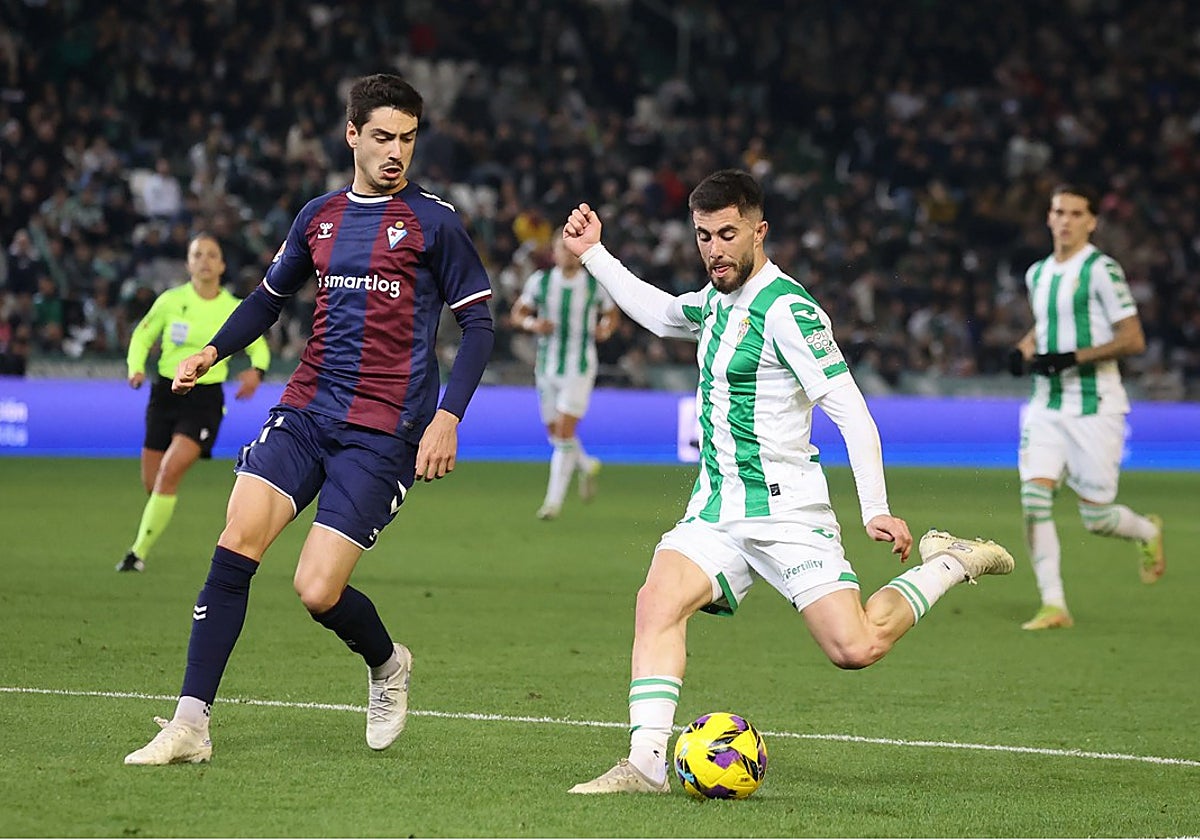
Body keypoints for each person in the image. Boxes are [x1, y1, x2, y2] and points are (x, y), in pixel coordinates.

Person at [561, 169, 1014, 795]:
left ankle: (950, 562)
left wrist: (875, 508)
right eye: (703, 236)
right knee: (656, 602)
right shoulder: (715, 302)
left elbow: (852, 412)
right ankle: (644, 765)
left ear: (759, 231)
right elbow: (661, 315)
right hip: (717, 507)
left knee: (855, 648)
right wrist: (593, 254)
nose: (714, 250)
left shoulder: (789, 311)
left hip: (786, 511)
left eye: (727, 234)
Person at [124, 73, 494, 765]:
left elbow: (479, 326)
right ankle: (190, 725)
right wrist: (212, 350)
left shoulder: (435, 222)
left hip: (385, 429)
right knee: (236, 540)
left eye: (408, 139)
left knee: (317, 590)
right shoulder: (318, 217)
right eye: (382, 137)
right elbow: (268, 299)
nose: (395, 152)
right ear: (351, 135)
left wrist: (448, 417)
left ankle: (387, 663)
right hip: (306, 408)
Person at [1007, 183, 1164, 631]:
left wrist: (1072, 358)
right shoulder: (1037, 273)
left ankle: (1148, 531)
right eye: (1059, 212)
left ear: (1092, 222)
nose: (1066, 221)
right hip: (1045, 406)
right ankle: (1053, 603)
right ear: (1048, 217)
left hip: (1095, 407)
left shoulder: (1101, 270)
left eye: (1076, 214)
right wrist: (1023, 349)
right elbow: (1047, 324)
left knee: (1097, 517)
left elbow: (1133, 338)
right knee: (1034, 499)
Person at [118, 234, 271, 573]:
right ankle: (149, 532)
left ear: (222, 265)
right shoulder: (170, 301)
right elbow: (142, 335)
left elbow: (258, 346)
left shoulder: (233, 307)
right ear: (188, 263)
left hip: (204, 399)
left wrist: (256, 371)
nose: (204, 261)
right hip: (164, 394)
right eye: (197, 254)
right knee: (154, 482)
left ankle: (136, 553)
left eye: (211, 255)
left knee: (169, 472)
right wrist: (135, 367)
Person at [510, 232, 619, 519]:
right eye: (562, 249)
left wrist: (605, 329)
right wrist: (533, 324)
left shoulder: (594, 284)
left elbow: (611, 313)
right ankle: (586, 464)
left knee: (564, 432)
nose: (567, 254)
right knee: (554, 433)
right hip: (546, 366)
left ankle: (552, 503)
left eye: (572, 250)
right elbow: (518, 313)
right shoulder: (541, 281)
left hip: (579, 367)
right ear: (554, 252)